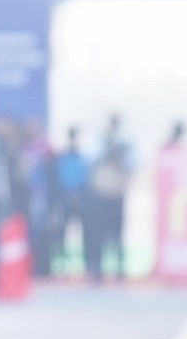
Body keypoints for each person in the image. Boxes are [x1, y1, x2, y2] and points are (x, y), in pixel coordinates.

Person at [84, 118, 131, 283]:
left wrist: (119, 153)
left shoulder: (125, 146)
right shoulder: (99, 144)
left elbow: (132, 167)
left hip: (116, 196)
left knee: (117, 235)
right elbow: (90, 164)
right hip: (101, 196)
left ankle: (119, 268)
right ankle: (98, 268)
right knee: (99, 235)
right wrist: (106, 149)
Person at [52, 127, 89, 275]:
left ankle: (85, 264)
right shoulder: (63, 158)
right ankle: (61, 264)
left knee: (84, 232)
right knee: (62, 232)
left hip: (80, 198)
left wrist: (79, 193)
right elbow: (60, 177)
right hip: (65, 197)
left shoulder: (81, 157)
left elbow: (85, 176)